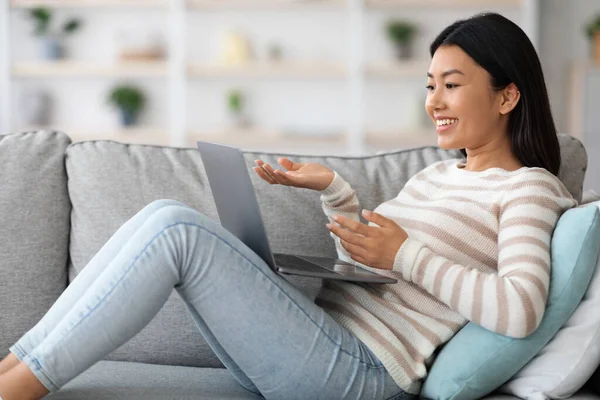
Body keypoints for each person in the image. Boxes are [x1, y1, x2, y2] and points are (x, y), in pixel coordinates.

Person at [0, 11, 579, 400]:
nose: (434, 101)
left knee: (174, 229)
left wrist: (405, 254)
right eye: (429, 84)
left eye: (452, 84)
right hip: (322, 338)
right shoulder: (437, 174)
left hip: (366, 371)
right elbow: (373, 265)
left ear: (508, 94)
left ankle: (21, 383)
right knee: (160, 216)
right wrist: (335, 192)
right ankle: (16, 366)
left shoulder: (527, 189)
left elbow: (519, 309)